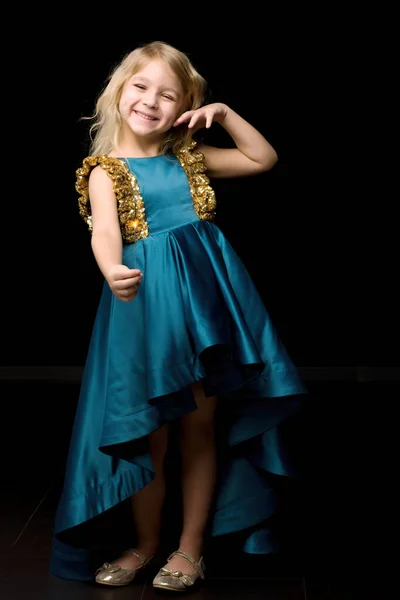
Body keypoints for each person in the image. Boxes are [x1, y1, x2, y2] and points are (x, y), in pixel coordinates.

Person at [50, 40, 307, 593]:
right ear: (119, 92)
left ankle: (189, 549)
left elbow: (262, 159)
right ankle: (144, 544)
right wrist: (111, 268)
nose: (151, 101)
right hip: (145, 312)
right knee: (152, 433)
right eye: (141, 87)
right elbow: (103, 231)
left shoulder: (188, 158)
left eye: (169, 95)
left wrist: (227, 115)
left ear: (185, 106)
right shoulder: (106, 170)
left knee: (198, 427)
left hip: (204, 312)